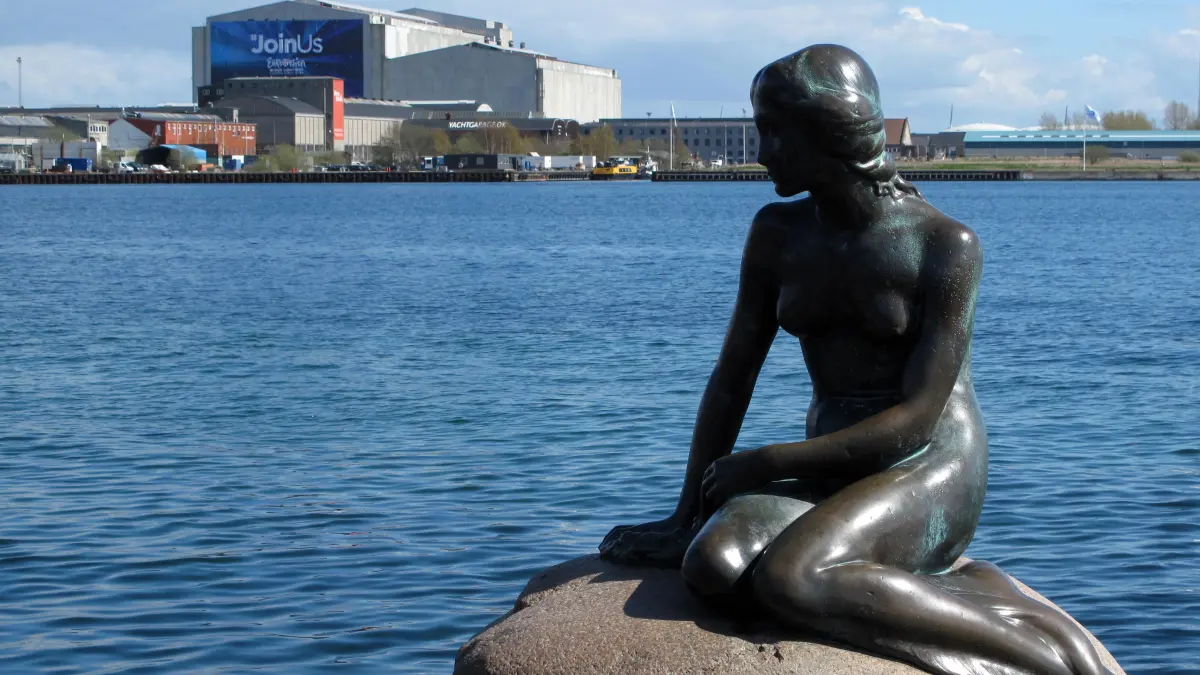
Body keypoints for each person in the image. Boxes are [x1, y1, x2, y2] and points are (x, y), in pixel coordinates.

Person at [599, 44, 1110, 675]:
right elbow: (733, 378)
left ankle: (1043, 656)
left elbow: (920, 418)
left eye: (776, 134)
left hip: (928, 464)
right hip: (832, 461)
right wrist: (685, 515)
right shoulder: (777, 233)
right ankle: (939, 588)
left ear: (829, 134)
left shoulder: (943, 245)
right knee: (713, 564)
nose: (761, 154)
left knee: (794, 575)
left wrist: (767, 462)